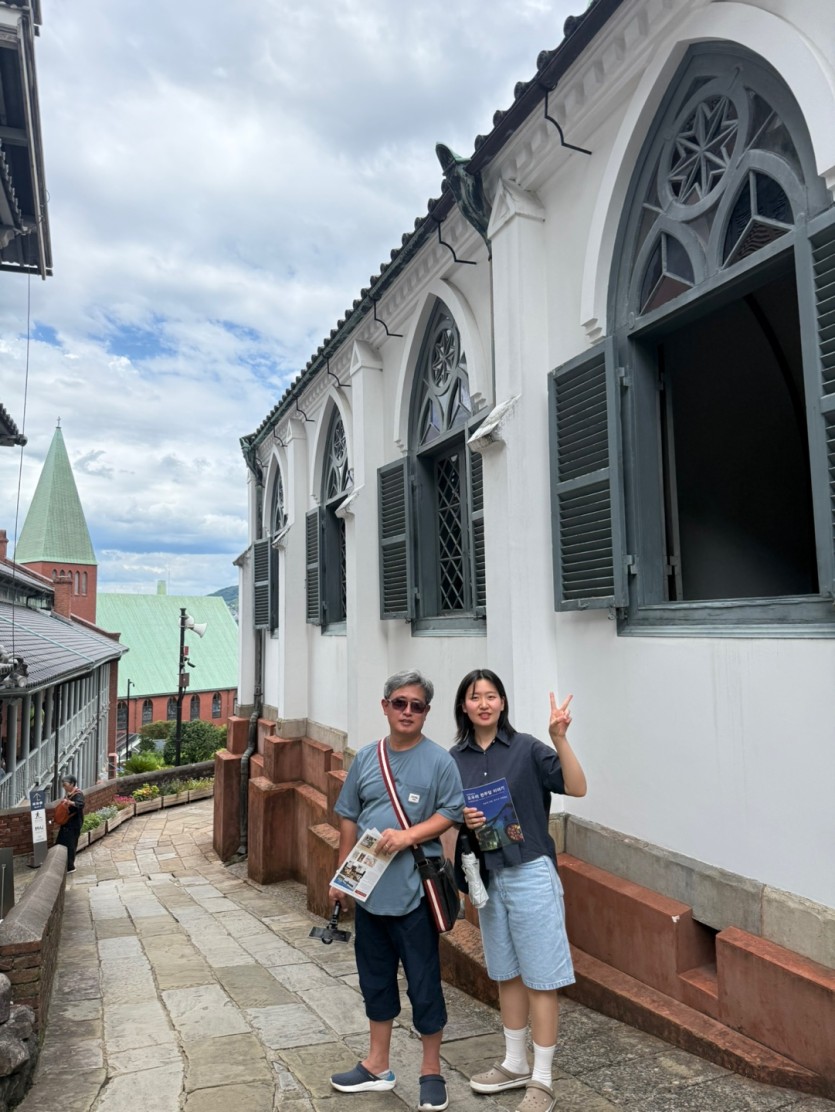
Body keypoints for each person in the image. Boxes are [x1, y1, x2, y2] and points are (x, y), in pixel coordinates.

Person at [451, 669, 587, 1112]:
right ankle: (515, 1063)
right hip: (489, 878)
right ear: (464, 706)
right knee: (506, 973)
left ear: (503, 703)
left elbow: (577, 787)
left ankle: (543, 1079)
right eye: (475, 697)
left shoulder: (528, 748)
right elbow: (448, 815)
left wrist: (559, 738)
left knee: (541, 977)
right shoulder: (454, 759)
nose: (484, 703)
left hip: (530, 872)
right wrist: (462, 818)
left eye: (491, 696)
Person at [329, 670, 464, 1112]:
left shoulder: (439, 761)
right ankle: (377, 1065)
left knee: (424, 984)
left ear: (427, 712)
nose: (408, 711)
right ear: (385, 706)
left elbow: (451, 811)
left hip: (416, 895)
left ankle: (431, 1071)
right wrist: (342, 878)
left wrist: (409, 836)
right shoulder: (367, 757)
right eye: (400, 703)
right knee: (374, 979)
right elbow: (349, 816)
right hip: (370, 893)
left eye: (417, 705)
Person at [55, 775, 85, 873]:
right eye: (63, 785)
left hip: (73, 824)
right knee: (61, 842)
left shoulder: (78, 794)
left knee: (70, 844)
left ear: (72, 784)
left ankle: (70, 866)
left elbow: (80, 804)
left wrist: (70, 802)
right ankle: (62, 864)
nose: (64, 787)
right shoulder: (69, 794)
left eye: (65, 785)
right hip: (66, 824)